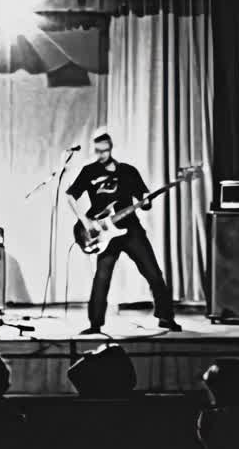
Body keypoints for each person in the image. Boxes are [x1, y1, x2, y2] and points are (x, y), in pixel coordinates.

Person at [65, 133, 180, 335]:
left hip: (131, 229)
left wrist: (147, 201)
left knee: (153, 272)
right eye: (97, 151)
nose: (101, 155)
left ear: (111, 148)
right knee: (102, 277)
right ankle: (95, 324)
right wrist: (85, 220)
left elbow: (143, 196)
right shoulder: (89, 171)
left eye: (104, 150)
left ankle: (166, 317)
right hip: (104, 232)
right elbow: (70, 195)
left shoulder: (128, 171)